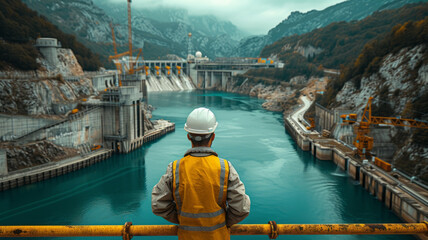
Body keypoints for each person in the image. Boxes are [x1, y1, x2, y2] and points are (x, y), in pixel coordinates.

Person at [152, 107, 250, 240]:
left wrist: (182, 219)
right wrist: (223, 222)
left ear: (188, 136)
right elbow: (241, 208)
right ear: (213, 136)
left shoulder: (175, 168)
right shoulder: (224, 167)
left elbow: (158, 204)